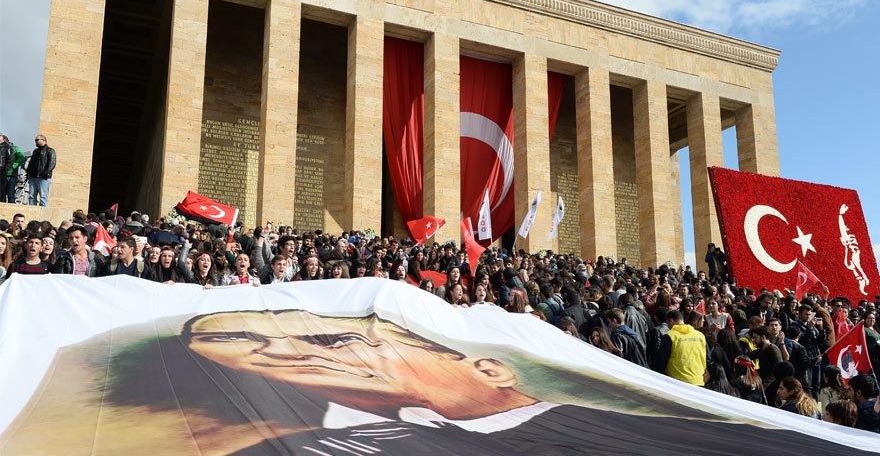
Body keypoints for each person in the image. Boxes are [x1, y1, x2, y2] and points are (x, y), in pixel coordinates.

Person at [88, 309, 868, 455]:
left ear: (491, 363)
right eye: (254, 358)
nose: (293, 358)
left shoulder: (687, 433)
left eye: (328, 337)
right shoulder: (310, 448)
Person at [657, 310, 707, 386]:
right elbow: (706, 358)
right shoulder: (700, 335)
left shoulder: (670, 336)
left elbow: (661, 361)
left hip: (677, 382)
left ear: (671, 321)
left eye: (667, 323)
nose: (668, 326)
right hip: (698, 381)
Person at [26, 134, 56, 206]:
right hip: (33, 177)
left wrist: (45, 173)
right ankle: (32, 213)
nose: (35, 142)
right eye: (35, 140)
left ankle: (42, 215)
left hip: (43, 177)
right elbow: (31, 162)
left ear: (43, 140)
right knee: (31, 196)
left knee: (43, 196)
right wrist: (28, 172)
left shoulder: (50, 150)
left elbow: (52, 163)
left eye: (37, 140)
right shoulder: (35, 151)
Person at [0, 134, 25, 203]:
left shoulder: (14, 148)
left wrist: (13, 165)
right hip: (2, 175)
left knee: (10, 194)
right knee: (2, 194)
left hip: (11, 175)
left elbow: (22, 157)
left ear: (4, 140)